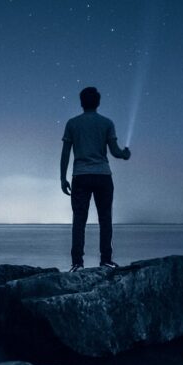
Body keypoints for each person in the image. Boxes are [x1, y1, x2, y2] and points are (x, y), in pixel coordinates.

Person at [60, 86, 131, 271]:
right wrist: (125, 154)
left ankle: (77, 263)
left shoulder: (72, 123)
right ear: (98, 103)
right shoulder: (106, 123)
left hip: (81, 176)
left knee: (79, 219)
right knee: (105, 218)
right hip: (102, 176)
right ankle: (106, 259)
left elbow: (65, 153)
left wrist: (62, 178)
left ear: (81, 102)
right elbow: (115, 152)